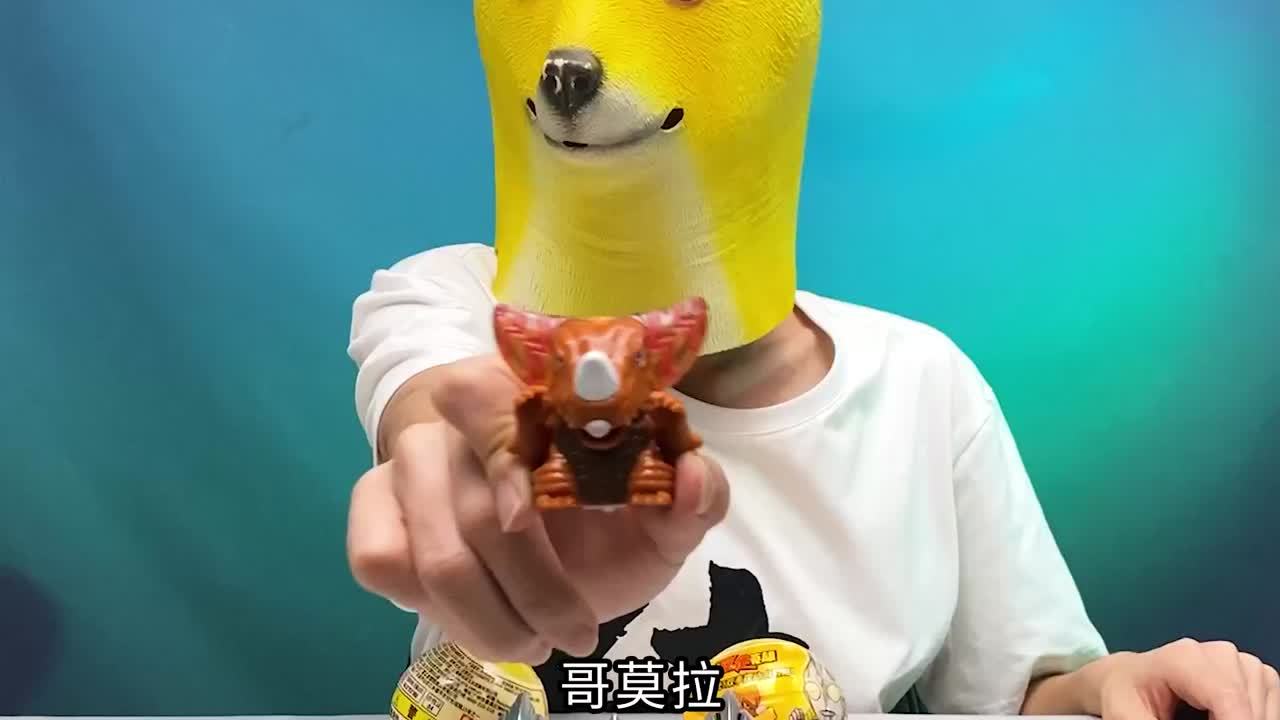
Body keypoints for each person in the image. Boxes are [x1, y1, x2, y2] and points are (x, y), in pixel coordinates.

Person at [345, 2, 1278, 719]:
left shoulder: (921, 384)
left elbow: (1018, 694)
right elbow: (430, 396)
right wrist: (463, 461)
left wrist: (1116, 690)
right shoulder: (457, 305)